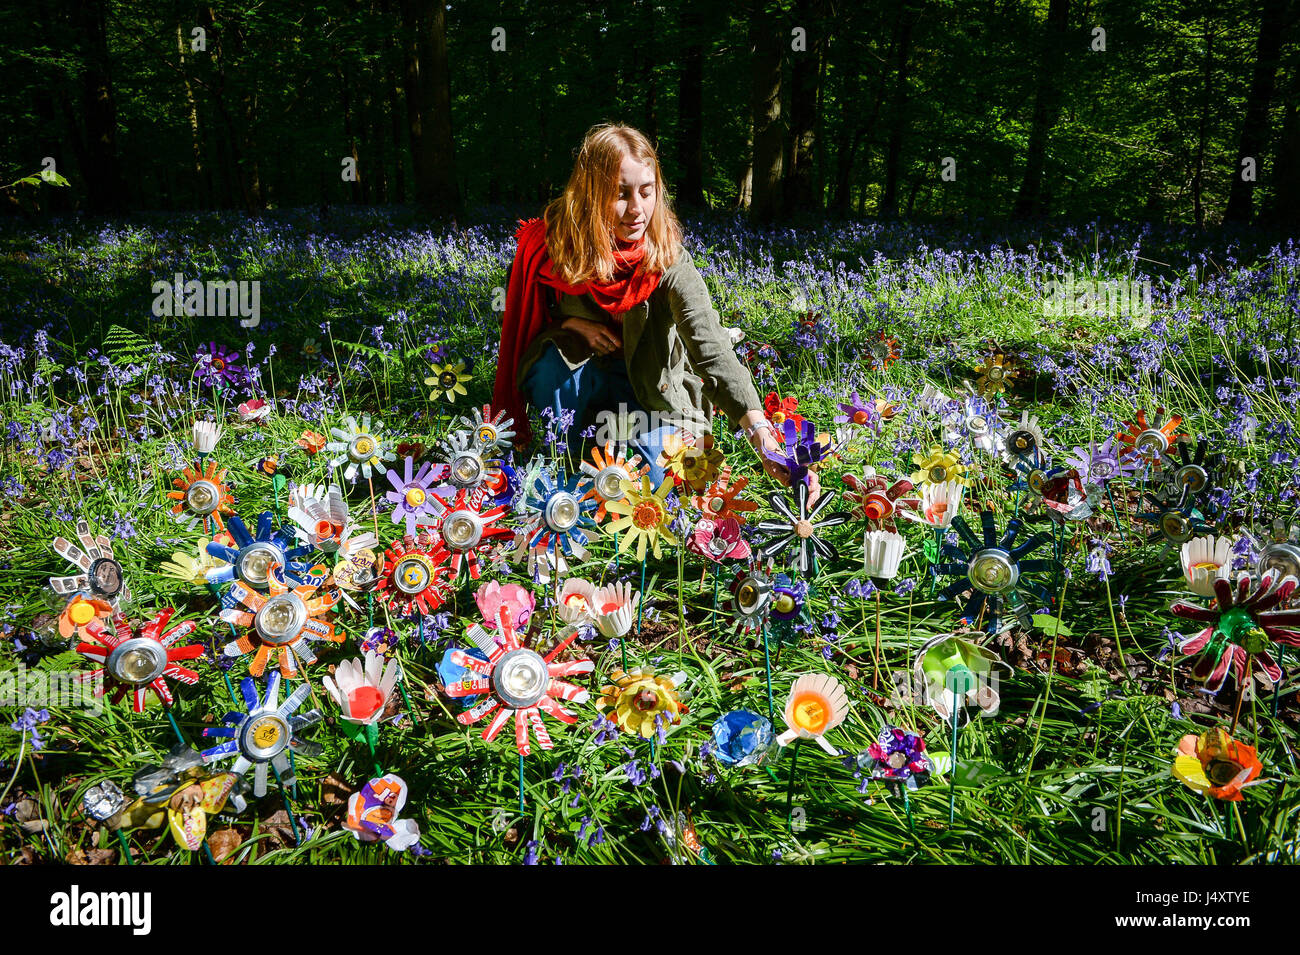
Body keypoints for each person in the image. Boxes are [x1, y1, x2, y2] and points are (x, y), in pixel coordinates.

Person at [493, 123, 812, 494]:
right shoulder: (556, 244)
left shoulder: (667, 259)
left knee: (653, 482)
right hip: (586, 379)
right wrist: (570, 322)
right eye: (620, 194)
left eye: (646, 192)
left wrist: (760, 431)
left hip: (653, 391)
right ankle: (568, 447)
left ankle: (607, 446)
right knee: (551, 368)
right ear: (592, 194)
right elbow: (519, 312)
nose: (636, 210)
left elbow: (711, 348)